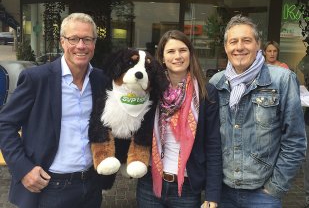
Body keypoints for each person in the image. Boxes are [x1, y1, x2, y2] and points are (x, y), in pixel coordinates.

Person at [0, 12, 109, 208]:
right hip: (50, 187)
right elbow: (4, 124)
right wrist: (24, 169)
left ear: (94, 43)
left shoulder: (101, 80)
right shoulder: (37, 79)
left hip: (91, 186)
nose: (81, 46)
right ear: (62, 42)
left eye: (87, 39)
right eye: (73, 38)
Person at [209, 14, 307, 208]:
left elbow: (295, 141)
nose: (239, 47)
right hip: (224, 192)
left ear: (257, 44)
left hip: (263, 195)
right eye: (233, 41)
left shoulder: (282, 80)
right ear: (226, 47)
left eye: (246, 40)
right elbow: (211, 142)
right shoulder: (216, 83)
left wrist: (275, 188)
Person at [136, 30, 222, 208]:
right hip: (149, 183)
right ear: (162, 56)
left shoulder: (207, 93)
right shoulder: (150, 90)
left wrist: (212, 195)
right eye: (171, 51)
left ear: (190, 53)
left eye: (182, 50)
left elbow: (213, 144)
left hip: (188, 189)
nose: (177, 56)